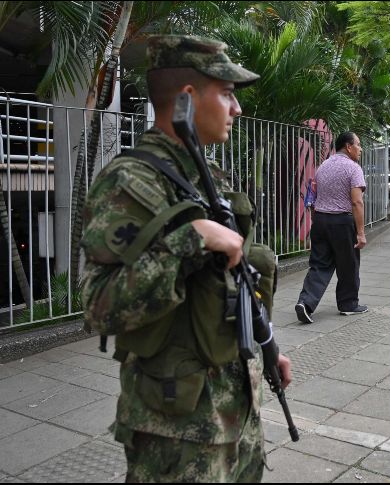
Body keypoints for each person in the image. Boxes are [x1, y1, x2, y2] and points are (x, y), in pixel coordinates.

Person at [80, 35, 292, 482]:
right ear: (187, 98)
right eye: (228, 93)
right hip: (177, 432)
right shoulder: (131, 182)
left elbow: (228, 280)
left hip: (235, 411)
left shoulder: (206, 176)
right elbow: (100, 306)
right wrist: (188, 240)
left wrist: (265, 345)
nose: (237, 109)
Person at [295, 132, 368, 324]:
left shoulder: (323, 167)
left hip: (320, 221)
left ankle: (305, 303)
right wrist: (360, 233)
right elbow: (357, 202)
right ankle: (348, 304)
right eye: (358, 145)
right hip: (342, 223)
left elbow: (313, 197)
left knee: (319, 265)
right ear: (348, 146)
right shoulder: (353, 168)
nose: (360, 149)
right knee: (348, 264)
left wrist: (316, 223)